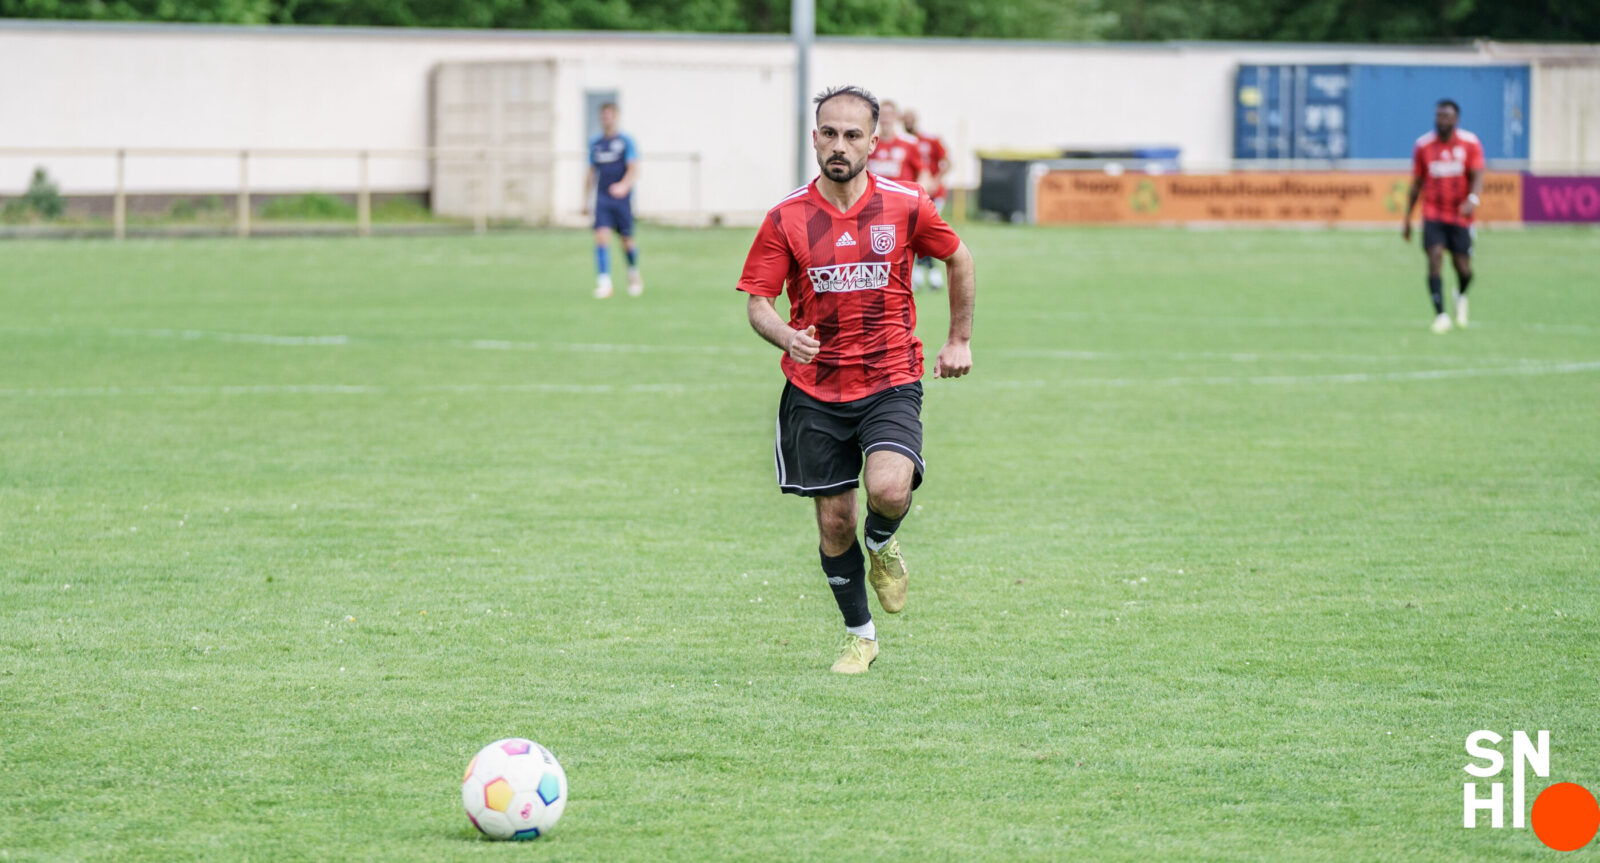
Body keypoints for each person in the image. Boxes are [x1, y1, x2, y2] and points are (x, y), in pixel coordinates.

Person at [736, 85, 976, 675]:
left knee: (889, 491)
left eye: (851, 135)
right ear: (815, 138)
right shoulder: (786, 217)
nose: (838, 145)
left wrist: (958, 339)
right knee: (835, 520)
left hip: (889, 376)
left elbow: (959, 257)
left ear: (873, 141)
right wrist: (785, 335)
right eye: (828, 133)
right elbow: (759, 301)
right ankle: (860, 636)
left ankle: (882, 542)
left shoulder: (906, 203)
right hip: (815, 389)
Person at [1403, 99, 1484, 333]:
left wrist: (1472, 199)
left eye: (1447, 116)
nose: (1442, 120)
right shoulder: (1424, 145)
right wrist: (1407, 219)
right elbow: (1416, 183)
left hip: (1460, 215)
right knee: (1435, 257)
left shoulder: (1470, 143)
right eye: (1439, 116)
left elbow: (1477, 174)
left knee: (1464, 270)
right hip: (1433, 214)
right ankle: (1441, 315)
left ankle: (1460, 294)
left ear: (1456, 119)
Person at [586, 102, 643, 299]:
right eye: (604, 115)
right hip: (602, 198)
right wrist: (585, 199)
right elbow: (590, 172)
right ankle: (605, 283)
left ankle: (633, 272)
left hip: (621, 200)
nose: (607, 119)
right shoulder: (595, 143)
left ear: (616, 117)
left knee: (626, 241)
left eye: (610, 115)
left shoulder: (626, 141)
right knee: (601, 238)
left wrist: (623, 186)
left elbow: (634, 168)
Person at [902, 108, 951, 291]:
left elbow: (946, 162)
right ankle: (929, 274)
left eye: (911, 118)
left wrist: (935, 181)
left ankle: (923, 274)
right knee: (916, 235)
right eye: (905, 118)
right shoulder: (902, 143)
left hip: (932, 195)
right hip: (909, 195)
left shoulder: (929, 140)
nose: (908, 122)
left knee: (921, 232)